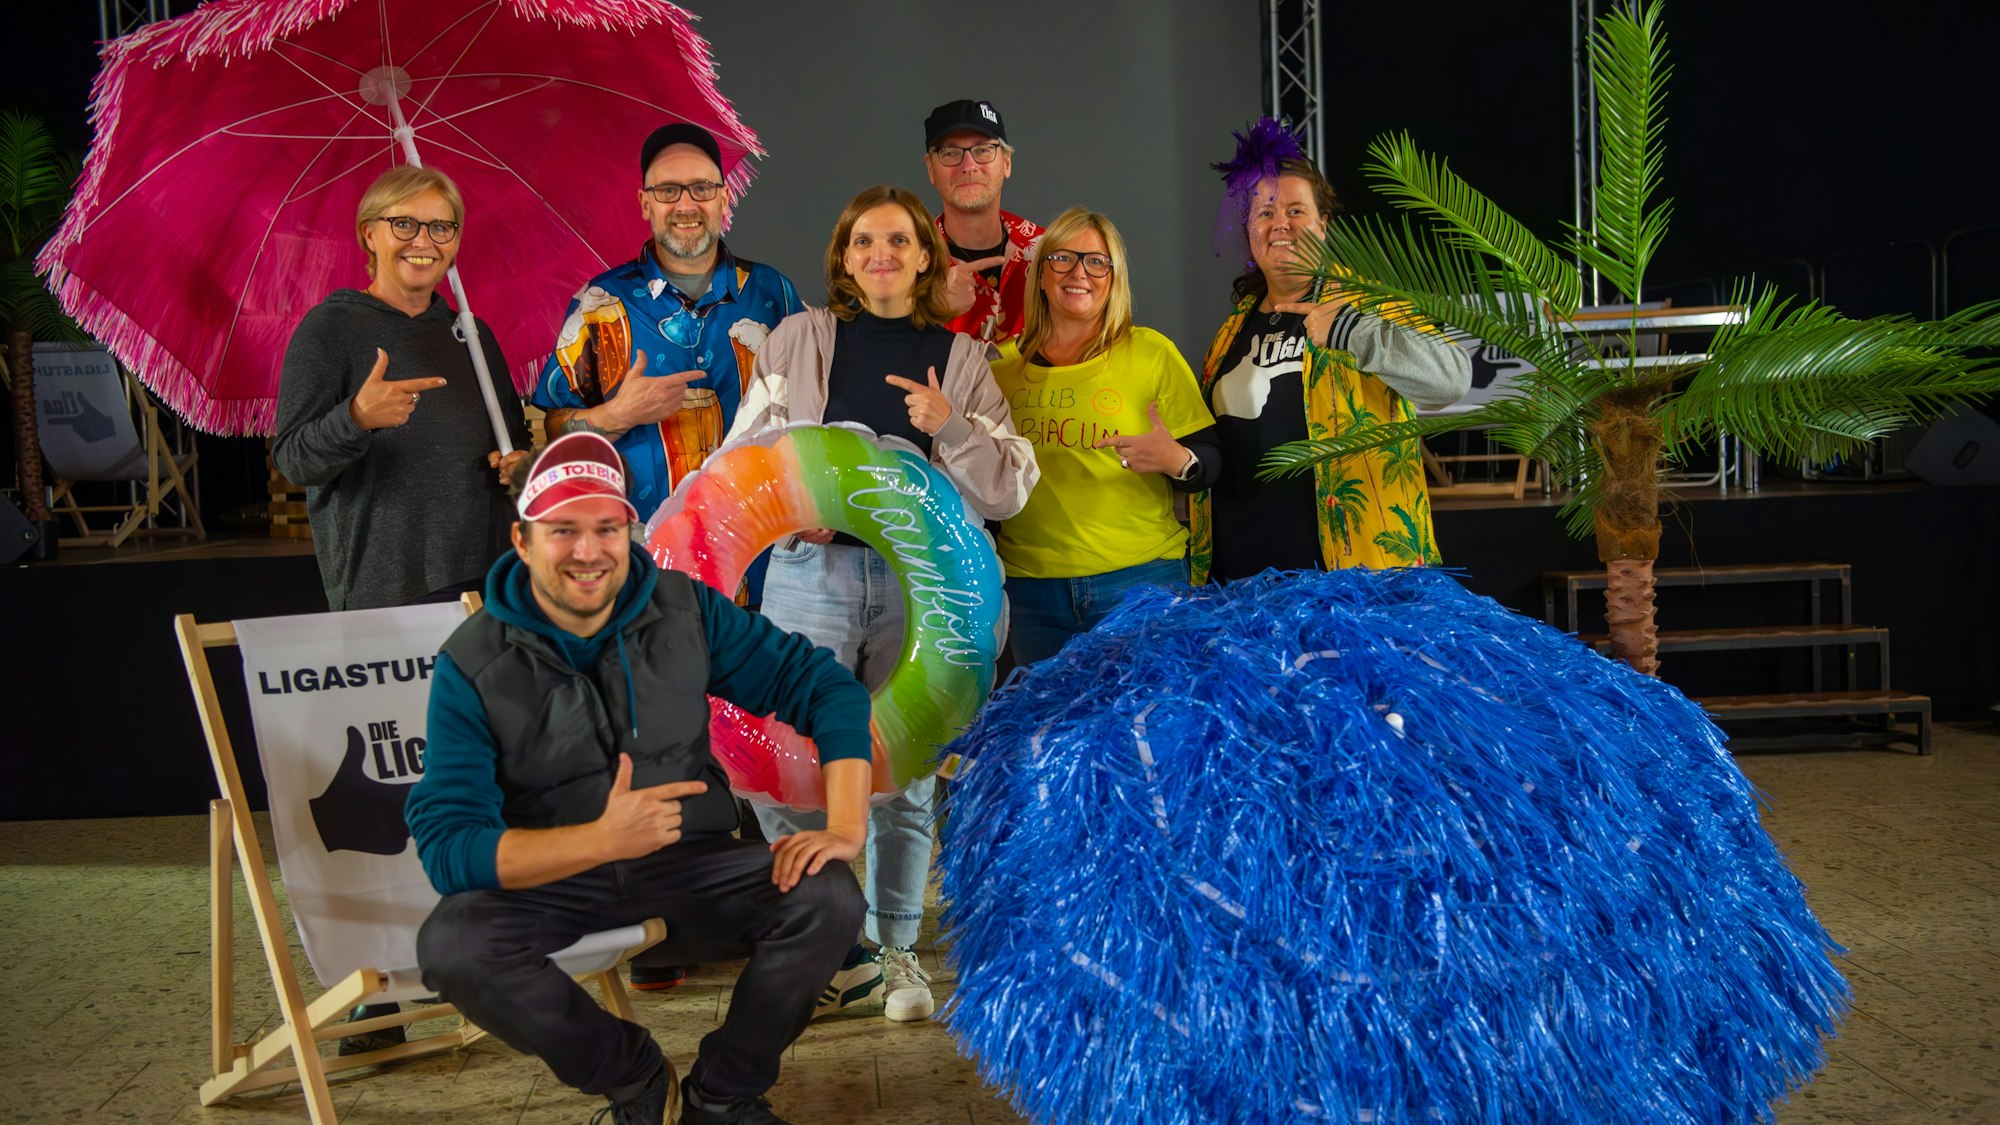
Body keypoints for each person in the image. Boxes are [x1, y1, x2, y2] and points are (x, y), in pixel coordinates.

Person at [406, 432, 874, 1125]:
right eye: (563, 530)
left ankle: (723, 1094)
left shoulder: (684, 610)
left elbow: (824, 687)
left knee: (827, 895)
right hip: (556, 878)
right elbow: (449, 847)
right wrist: (599, 840)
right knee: (453, 945)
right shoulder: (471, 663)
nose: (588, 551)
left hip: (686, 863)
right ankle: (635, 1079)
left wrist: (846, 825)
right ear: (523, 539)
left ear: (629, 530)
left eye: (607, 528)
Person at [723, 184, 1038, 1023]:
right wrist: (796, 508)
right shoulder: (797, 340)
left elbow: (1008, 490)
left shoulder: (961, 358)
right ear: (845, 257)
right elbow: (743, 454)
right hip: (809, 579)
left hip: (920, 589)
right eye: (864, 240)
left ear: (925, 256)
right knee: (787, 763)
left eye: (899, 239)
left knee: (905, 774)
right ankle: (834, 944)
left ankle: (895, 946)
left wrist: (952, 425)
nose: (882, 254)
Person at [1191, 121, 1470, 583]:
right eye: (1264, 212)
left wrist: (1351, 329)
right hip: (1243, 581)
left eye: (1296, 210)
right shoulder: (1231, 330)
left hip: (1354, 582)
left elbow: (1452, 379)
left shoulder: (1368, 302)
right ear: (1249, 231)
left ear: (1323, 224)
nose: (1280, 223)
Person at [274, 165, 530, 613]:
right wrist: (355, 419)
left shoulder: (473, 335)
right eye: (404, 224)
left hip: (494, 576)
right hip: (389, 588)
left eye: (441, 227)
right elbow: (294, 460)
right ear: (369, 234)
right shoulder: (330, 328)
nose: (423, 241)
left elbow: (515, 439)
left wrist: (521, 464)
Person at [534, 123, 805, 525]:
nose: (686, 204)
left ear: (724, 198)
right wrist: (617, 414)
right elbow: (551, 431)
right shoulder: (599, 304)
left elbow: (814, 408)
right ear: (645, 203)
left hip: (762, 538)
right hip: (641, 542)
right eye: (667, 191)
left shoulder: (772, 292)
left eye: (702, 188)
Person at [991, 207, 1217, 664]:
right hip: (1032, 592)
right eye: (1063, 258)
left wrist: (1177, 461)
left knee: (1148, 708)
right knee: (1049, 712)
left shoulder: (1151, 352)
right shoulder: (999, 368)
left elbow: (1211, 458)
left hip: (1138, 582)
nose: (1079, 273)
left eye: (1096, 261)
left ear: (1114, 279)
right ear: (1040, 274)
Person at [921, 99, 1043, 344]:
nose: (969, 166)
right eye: (950, 152)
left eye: (984, 150)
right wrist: (929, 313)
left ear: (1006, 163)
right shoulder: (906, 263)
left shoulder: (1049, 251)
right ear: (931, 169)